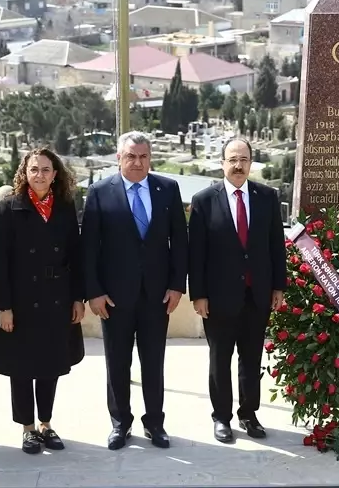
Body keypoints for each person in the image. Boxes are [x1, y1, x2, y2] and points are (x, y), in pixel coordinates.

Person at [83, 131, 188, 450]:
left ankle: (154, 423)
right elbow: (88, 247)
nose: (138, 162)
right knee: (117, 362)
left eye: (143, 156)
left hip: (157, 296)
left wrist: (176, 285)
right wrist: (94, 292)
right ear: (119, 158)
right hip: (114, 297)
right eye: (131, 156)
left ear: (150, 158)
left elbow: (179, 242)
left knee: (153, 361)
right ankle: (120, 423)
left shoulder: (167, 189)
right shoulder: (100, 192)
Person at [0, 148, 85, 455]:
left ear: (55, 174)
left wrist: (77, 298)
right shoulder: (9, 207)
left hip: (57, 297)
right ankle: (27, 428)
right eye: (33, 169)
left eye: (45, 169)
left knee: (51, 365)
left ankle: (45, 423)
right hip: (21, 300)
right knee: (22, 367)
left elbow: (75, 255)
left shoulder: (66, 207)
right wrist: (4, 306)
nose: (39, 174)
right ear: (24, 173)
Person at [188, 137, 285, 443]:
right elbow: (196, 254)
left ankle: (249, 414)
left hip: (256, 296)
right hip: (218, 299)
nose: (238, 165)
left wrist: (278, 286)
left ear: (251, 163)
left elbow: (275, 246)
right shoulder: (204, 201)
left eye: (244, 159)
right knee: (220, 359)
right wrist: (198, 294)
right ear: (222, 163)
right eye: (232, 159)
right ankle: (221, 418)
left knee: (251, 358)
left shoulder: (267, 197)